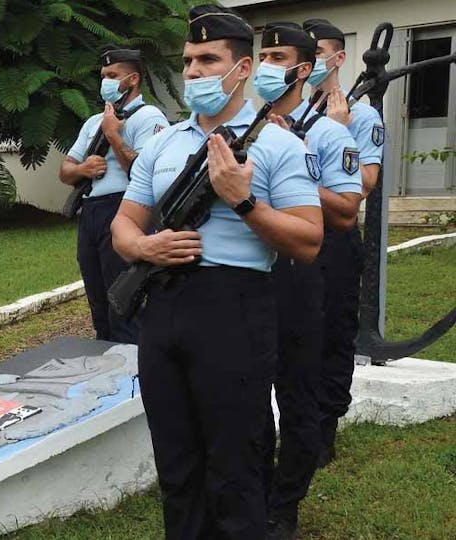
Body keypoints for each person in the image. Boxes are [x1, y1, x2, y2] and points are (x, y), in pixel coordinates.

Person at [109, 5, 323, 538]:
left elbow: (310, 240)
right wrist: (147, 247)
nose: (195, 72)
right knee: (176, 462)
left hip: (235, 308)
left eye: (209, 59)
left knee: (237, 462)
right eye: (188, 61)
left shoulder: (277, 145)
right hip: (163, 303)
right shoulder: (163, 143)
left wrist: (244, 201)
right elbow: (123, 225)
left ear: (243, 69)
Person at [253, 22, 363, 540]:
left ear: (302, 69)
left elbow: (345, 211)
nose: (266, 67)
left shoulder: (327, 132)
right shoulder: (243, 128)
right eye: (263, 56)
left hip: (304, 271)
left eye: (278, 57)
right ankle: (249, 489)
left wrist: (289, 173)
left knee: (299, 388)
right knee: (247, 389)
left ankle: (285, 502)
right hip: (247, 276)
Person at [303, 17, 384, 468]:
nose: (309, 61)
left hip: (335, 238)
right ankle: (298, 421)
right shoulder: (294, 110)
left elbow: (366, 182)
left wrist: (340, 129)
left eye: (317, 52)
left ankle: (325, 427)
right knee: (297, 331)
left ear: (338, 58)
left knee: (333, 331)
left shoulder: (360, 114)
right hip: (293, 235)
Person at [59, 47, 169, 344]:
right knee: (97, 294)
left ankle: (131, 365)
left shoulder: (149, 117)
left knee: (124, 294)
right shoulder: (93, 121)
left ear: (132, 80)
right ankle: (104, 353)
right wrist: (83, 168)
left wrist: (114, 137)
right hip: (92, 211)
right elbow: (65, 171)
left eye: (112, 76)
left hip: (126, 207)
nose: (105, 81)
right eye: (103, 75)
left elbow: (148, 175)